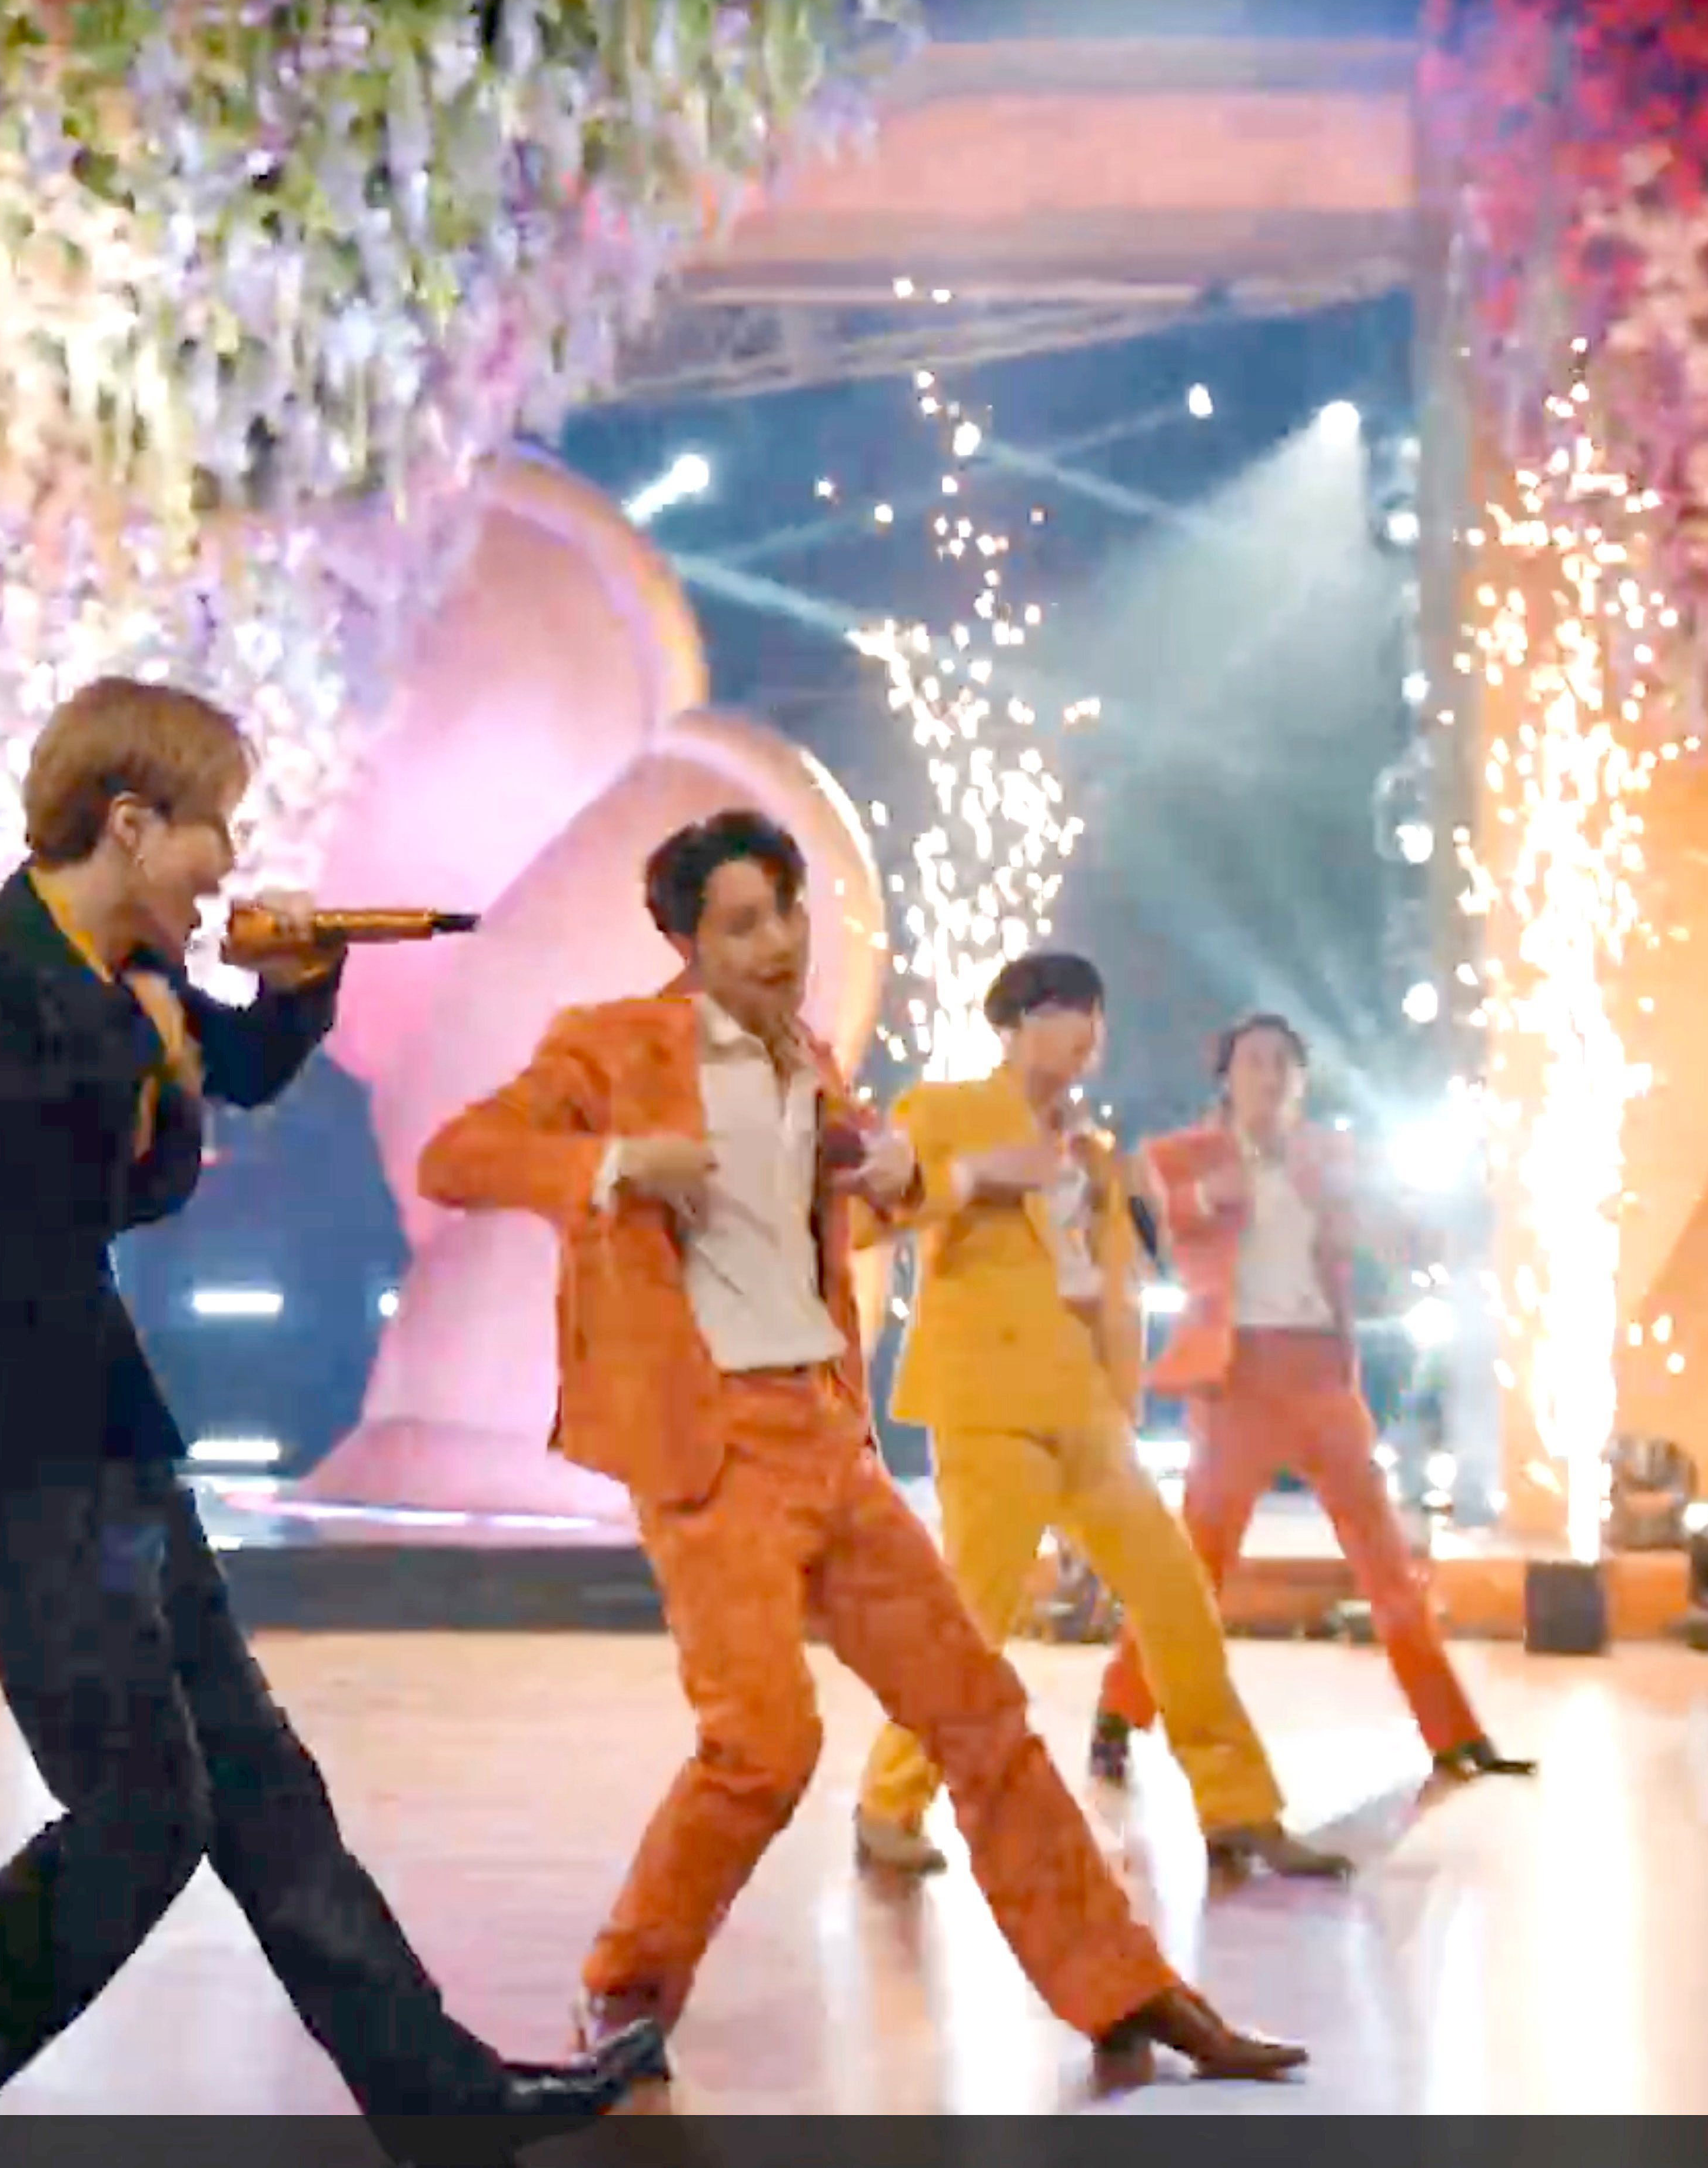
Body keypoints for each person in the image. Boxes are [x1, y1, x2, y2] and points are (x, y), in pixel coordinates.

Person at [0, 677, 667, 2133]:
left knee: (259, 1782)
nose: (229, 864)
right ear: (133, 824)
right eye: (217, 829)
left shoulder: (130, 977)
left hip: (99, 1425)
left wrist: (302, 983)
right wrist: (150, 1038)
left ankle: (442, 2102)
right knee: (145, 1813)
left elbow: (236, 1070)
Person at [420, 810, 1302, 2082]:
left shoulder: (812, 1060)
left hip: (828, 1432)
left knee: (981, 1715)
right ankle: (626, 1987)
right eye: (742, 925)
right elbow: (458, 1158)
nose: (778, 943)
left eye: (787, 912)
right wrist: (616, 1161)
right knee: (765, 1745)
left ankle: (1128, 1988)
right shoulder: (613, 1046)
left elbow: (844, 1210)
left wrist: (893, 1174)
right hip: (711, 1442)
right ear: (685, 942)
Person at [848, 953, 1350, 1884]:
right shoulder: (945, 1111)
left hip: (1083, 1410)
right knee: (975, 1616)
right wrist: (974, 1175)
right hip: (991, 1403)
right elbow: (861, 1221)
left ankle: (1239, 1808)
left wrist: (1120, 1402)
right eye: (1064, 1011)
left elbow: (1109, 1291)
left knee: (1175, 1597)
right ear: (1013, 1025)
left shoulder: (1093, 1150)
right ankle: (889, 1800)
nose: (1085, 1031)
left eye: (1095, 1014)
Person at [1097, 1013, 1533, 1783]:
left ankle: (1454, 1735)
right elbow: (1142, 1229)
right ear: (1227, 1077)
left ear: (1301, 1081)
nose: (1270, 1076)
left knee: (1387, 1563)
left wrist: (1411, 1222)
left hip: (1320, 1372)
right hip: (1236, 1377)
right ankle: (1119, 1714)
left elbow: (1392, 1242)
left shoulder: (1331, 1156)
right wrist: (1210, 1196)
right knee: (1197, 1566)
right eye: (1255, 1061)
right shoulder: (1181, 1155)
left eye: (1284, 1064)